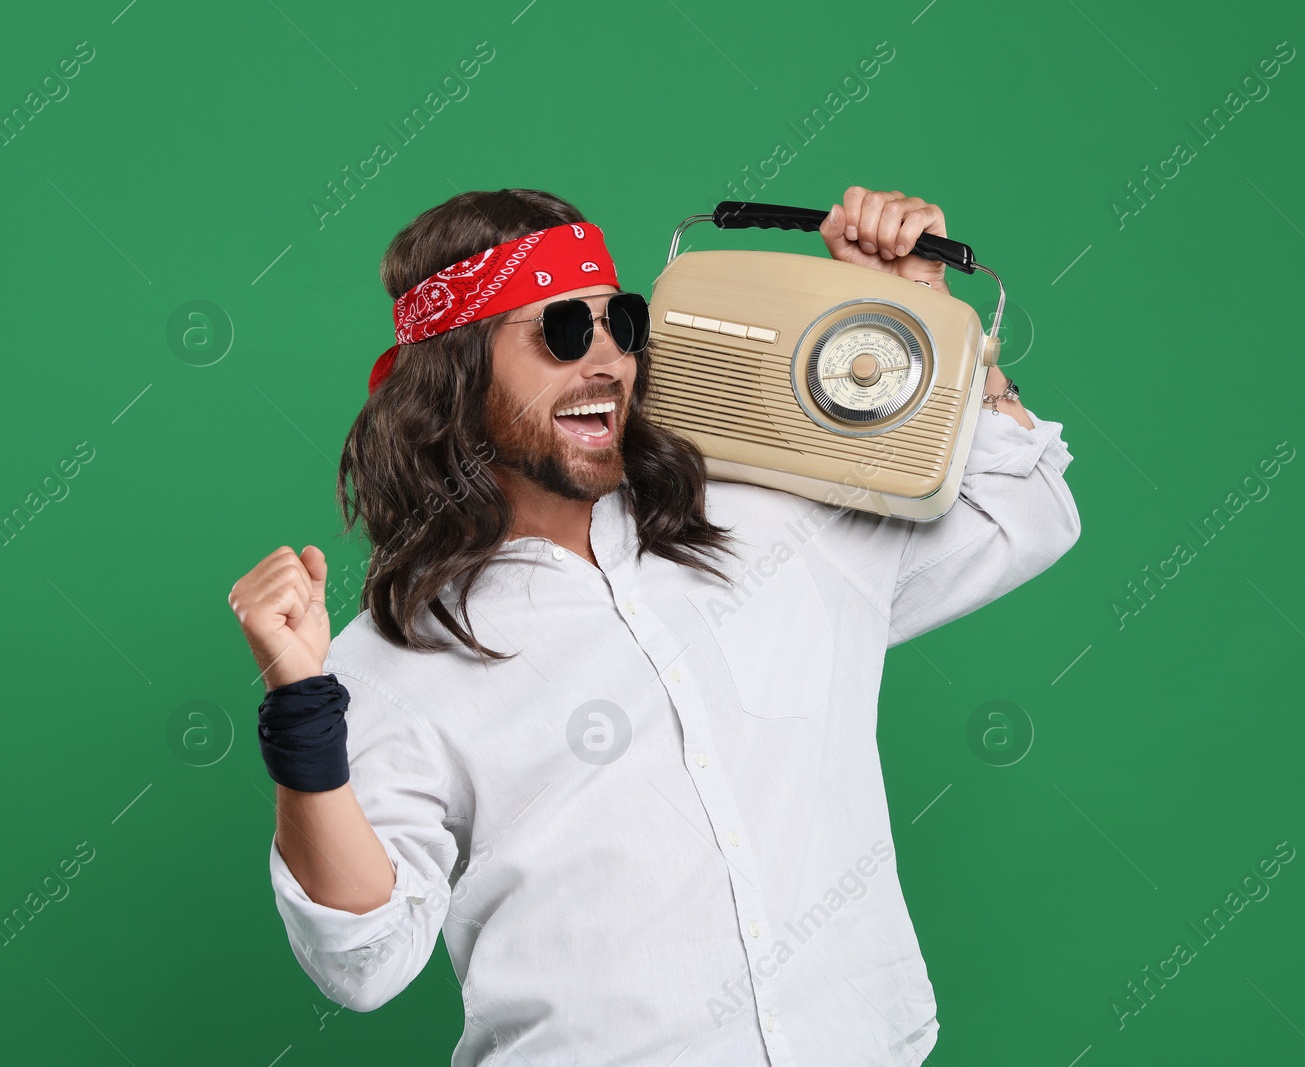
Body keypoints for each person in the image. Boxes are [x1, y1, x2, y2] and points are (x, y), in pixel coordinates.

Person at [227, 185, 1081, 1066]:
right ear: (458, 371)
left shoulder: (778, 527)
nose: (606, 361)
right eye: (561, 331)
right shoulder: (397, 655)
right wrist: (301, 715)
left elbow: (1026, 508)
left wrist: (921, 315)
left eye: (622, 323)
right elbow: (363, 959)